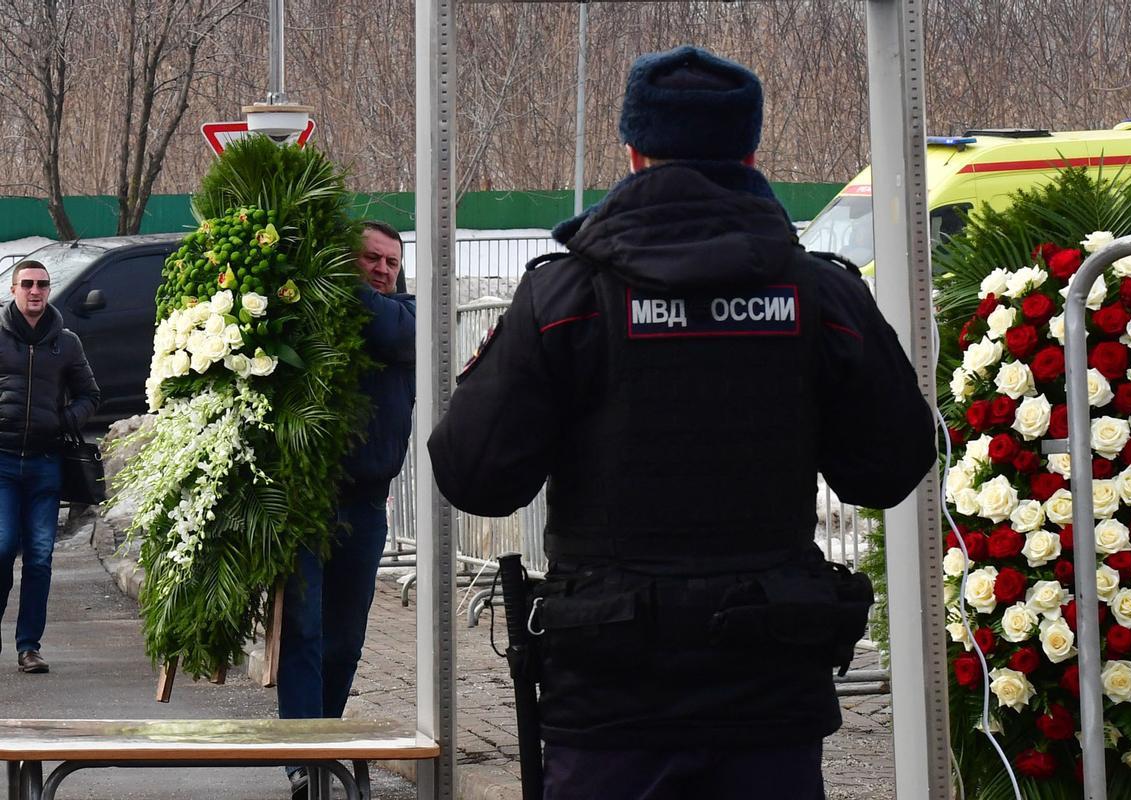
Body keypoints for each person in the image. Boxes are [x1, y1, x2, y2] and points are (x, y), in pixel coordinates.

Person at [428, 45, 935, 799]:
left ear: (633, 153)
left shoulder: (563, 298)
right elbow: (891, 465)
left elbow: (475, 477)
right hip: (768, 686)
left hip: (609, 692)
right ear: (752, 150)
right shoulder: (821, 296)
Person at [277, 221, 415, 799]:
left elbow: (386, 335)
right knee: (304, 629)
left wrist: (333, 273)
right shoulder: (314, 312)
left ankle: (324, 739)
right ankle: (304, 756)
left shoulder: (405, 316)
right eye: (370, 258)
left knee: (346, 637)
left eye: (391, 261)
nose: (382, 269)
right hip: (306, 498)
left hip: (364, 504)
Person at [0, 259, 100, 675]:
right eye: (28, 284)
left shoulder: (67, 343)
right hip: (2, 463)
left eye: (42, 284)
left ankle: (29, 647)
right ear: (13, 289)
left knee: (40, 557)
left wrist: (65, 421)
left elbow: (91, 396)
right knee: (3, 547)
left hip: (45, 464)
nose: (35, 291)